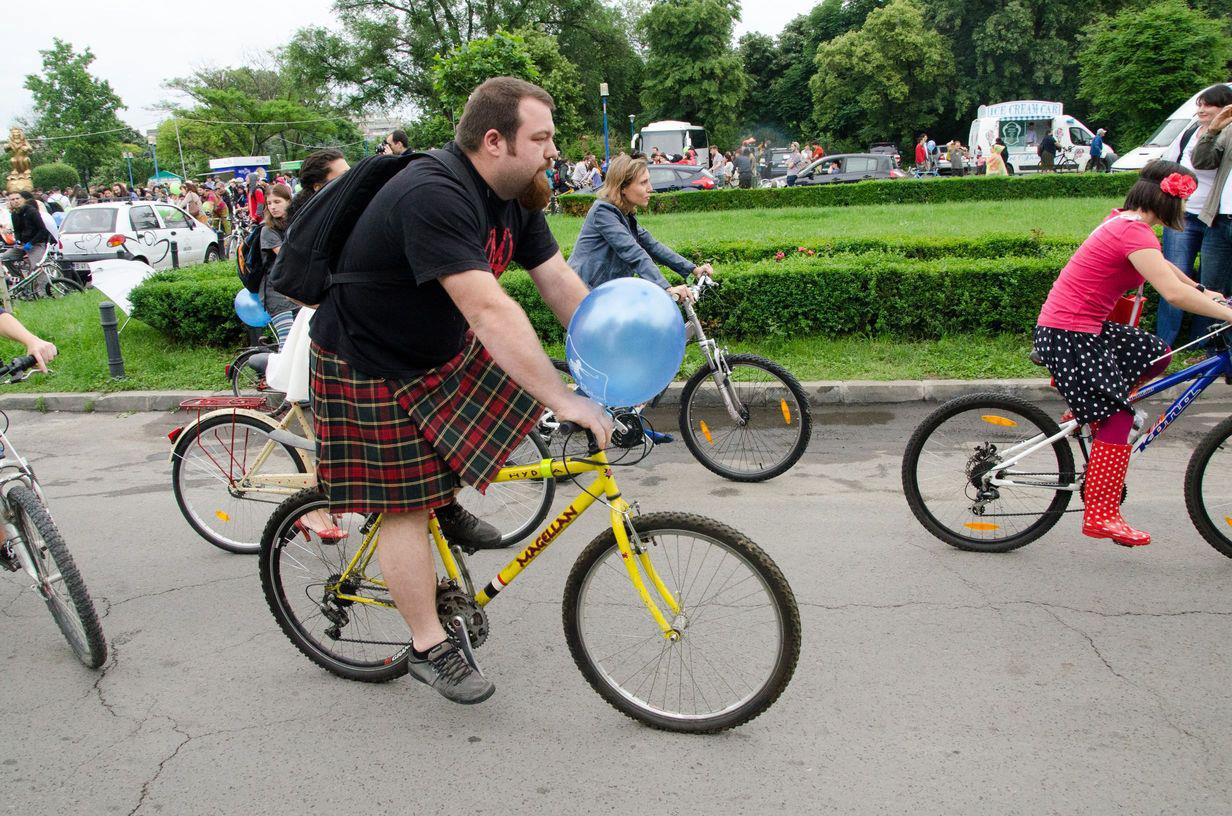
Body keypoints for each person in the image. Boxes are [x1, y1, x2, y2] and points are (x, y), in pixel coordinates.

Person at [307, 76, 611, 704]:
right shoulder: (433, 193)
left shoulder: (515, 195)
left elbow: (558, 282)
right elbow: (489, 310)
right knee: (405, 506)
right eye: (543, 138)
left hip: (433, 347)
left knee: (508, 399)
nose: (555, 151)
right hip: (365, 358)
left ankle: (443, 499)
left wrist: (612, 362)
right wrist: (565, 396)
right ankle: (428, 645)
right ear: (494, 141)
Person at [1033, 160, 1232, 547]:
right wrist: (1227, 313)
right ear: (1168, 200)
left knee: (1156, 353)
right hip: (1069, 333)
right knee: (1118, 419)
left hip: (1077, 327)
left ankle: (1090, 409)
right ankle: (1102, 515)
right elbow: (1172, 294)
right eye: (1185, 203)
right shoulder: (1133, 232)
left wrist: (1207, 291)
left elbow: (1169, 273)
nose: (1186, 212)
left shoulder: (1124, 222)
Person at [1154, 84, 1232, 348]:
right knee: (1173, 274)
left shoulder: (1227, 134)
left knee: (1210, 282)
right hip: (1183, 215)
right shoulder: (1189, 133)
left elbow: (1205, 163)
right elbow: (1172, 163)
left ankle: (1202, 342)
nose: (1201, 110)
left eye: (1208, 105)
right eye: (1199, 104)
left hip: (1214, 216)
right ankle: (1164, 342)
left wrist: (1216, 130)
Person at [1189, 98, 1232, 345]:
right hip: (1218, 218)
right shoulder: (1228, 128)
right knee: (1211, 289)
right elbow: (1202, 162)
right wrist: (1213, 130)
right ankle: (1214, 352)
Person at [258, 183, 296, 345]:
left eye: (277, 202)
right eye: (269, 203)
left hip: (297, 291)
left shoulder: (296, 223)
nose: (272, 207)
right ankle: (278, 370)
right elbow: (286, 257)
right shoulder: (268, 230)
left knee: (303, 345)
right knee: (287, 344)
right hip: (277, 293)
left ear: (289, 201)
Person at [1, 191, 53, 311]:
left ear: (22, 199)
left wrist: (31, 243)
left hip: (37, 243)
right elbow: (18, 231)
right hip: (23, 244)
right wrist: (18, 242)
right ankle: (21, 282)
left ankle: (44, 293)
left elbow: (43, 230)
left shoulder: (31, 211)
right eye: (12, 199)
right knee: (6, 257)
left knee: (36, 267)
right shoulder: (14, 214)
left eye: (17, 198)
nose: (15, 201)